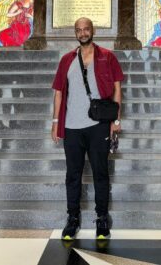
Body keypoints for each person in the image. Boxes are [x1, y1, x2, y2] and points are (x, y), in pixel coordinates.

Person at [51, 18, 124, 240]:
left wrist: (116, 121)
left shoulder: (107, 56)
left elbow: (117, 89)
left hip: (98, 126)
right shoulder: (66, 60)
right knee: (72, 175)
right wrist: (56, 123)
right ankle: (72, 219)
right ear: (75, 33)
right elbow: (58, 93)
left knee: (101, 174)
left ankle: (102, 218)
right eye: (78, 30)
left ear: (93, 31)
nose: (82, 33)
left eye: (86, 29)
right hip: (72, 127)